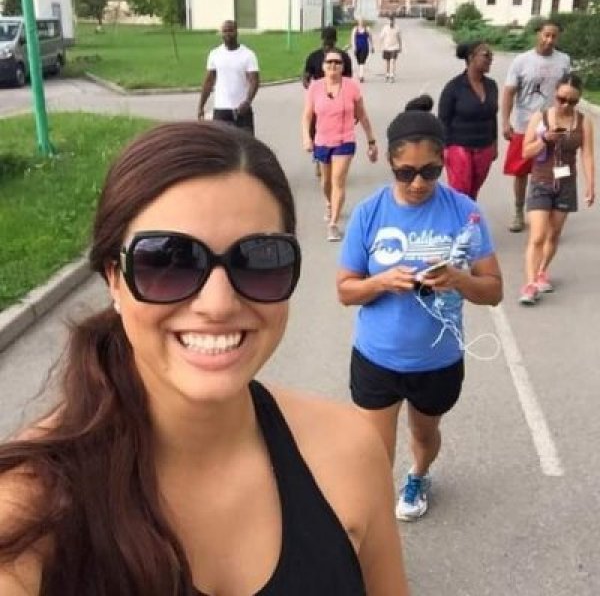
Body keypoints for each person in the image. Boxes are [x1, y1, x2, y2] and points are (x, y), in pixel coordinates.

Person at [0, 122, 410, 595]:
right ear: (115, 278)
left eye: (258, 259)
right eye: (168, 261)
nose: (218, 304)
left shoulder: (350, 451)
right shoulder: (28, 516)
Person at [337, 97, 503, 521]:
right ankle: (373, 520)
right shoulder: (370, 213)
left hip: (437, 360)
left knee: (424, 435)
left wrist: (459, 279)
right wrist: (381, 282)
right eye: (405, 172)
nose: (417, 183)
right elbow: (346, 291)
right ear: (390, 164)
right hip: (377, 357)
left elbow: (494, 291)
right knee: (374, 450)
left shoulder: (465, 213)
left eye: (430, 171)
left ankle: (419, 474)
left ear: (443, 161)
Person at [518, 73, 595, 305]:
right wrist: (544, 139)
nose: (566, 105)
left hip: (566, 184)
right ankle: (530, 284)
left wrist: (591, 184)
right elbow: (526, 152)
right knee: (538, 235)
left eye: (572, 101)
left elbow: (587, 155)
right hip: (541, 181)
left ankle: (542, 270)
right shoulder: (540, 117)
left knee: (554, 234)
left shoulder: (583, 122)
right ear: (555, 94)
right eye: (562, 99)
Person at [302, 48, 378, 242]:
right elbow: (307, 116)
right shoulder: (315, 87)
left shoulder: (351, 87)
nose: (333, 65)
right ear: (323, 66)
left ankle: (333, 224)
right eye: (329, 62)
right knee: (326, 182)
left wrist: (371, 141)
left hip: (345, 140)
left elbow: (362, 115)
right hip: (322, 141)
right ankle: (329, 203)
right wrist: (306, 137)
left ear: (343, 67)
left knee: (338, 180)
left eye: (337, 62)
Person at [501, 18, 570, 232]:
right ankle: (518, 212)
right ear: (538, 34)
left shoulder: (564, 60)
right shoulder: (521, 61)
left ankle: (551, 212)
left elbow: (567, 91)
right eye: (546, 35)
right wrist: (505, 121)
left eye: (554, 36)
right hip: (525, 125)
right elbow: (509, 92)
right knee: (521, 172)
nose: (549, 40)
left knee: (557, 170)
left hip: (555, 125)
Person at [438, 41, 498, 200]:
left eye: (491, 56)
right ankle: (460, 216)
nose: (490, 59)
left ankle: (469, 215)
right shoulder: (453, 87)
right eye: (486, 55)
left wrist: (494, 144)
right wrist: (444, 149)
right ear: (471, 57)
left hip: (484, 147)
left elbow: (493, 117)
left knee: (473, 191)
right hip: (459, 147)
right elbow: (443, 120)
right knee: (460, 192)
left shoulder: (491, 86)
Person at [302, 25, 353, 178]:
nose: (327, 46)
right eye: (325, 42)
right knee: (315, 129)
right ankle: (319, 159)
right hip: (319, 100)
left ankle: (335, 160)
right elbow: (306, 75)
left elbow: (348, 81)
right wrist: (309, 85)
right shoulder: (314, 57)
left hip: (338, 100)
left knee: (336, 131)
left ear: (335, 41)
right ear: (321, 40)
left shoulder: (343, 58)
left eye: (330, 43)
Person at [198, 20, 260, 135]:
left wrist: (248, 101)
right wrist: (201, 106)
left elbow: (254, 81)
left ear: (236, 32)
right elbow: (209, 82)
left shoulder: (248, 55)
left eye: (230, 31)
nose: (227, 34)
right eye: (225, 31)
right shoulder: (215, 54)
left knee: (245, 143)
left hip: (242, 109)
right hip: (221, 110)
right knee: (221, 144)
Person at [379, 15, 402, 83]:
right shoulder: (385, 28)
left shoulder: (397, 28)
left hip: (394, 47)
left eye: (392, 20)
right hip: (386, 47)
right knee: (387, 62)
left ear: (394, 21)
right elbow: (381, 37)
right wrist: (380, 46)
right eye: (390, 20)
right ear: (388, 21)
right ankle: (387, 74)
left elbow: (399, 38)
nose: (391, 22)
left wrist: (400, 47)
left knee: (393, 61)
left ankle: (392, 75)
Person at [350, 17, 374, 83]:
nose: (361, 22)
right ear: (358, 22)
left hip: (365, 47)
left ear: (364, 22)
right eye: (360, 21)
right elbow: (353, 39)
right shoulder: (355, 29)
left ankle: (361, 76)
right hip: (357, 47)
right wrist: (354, 47)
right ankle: (360, 73)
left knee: (362, 61)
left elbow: (370, 38)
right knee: (359, 61)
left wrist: (372, 46)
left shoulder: (367, 29)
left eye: (362, 21)